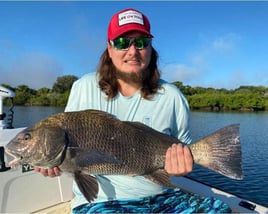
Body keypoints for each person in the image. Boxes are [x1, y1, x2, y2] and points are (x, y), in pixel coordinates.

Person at [35, 8, 232, 213]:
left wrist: (182, 166)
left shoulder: (173, 96)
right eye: (122, 42)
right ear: (109, 49)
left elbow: (183, 150)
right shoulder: (83, 87)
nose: (132, 51)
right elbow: (69, 156)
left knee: (222, 210)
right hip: (101, 202)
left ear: (150, 48)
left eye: (140, 42)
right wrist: (49, 161)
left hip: (162, 196)